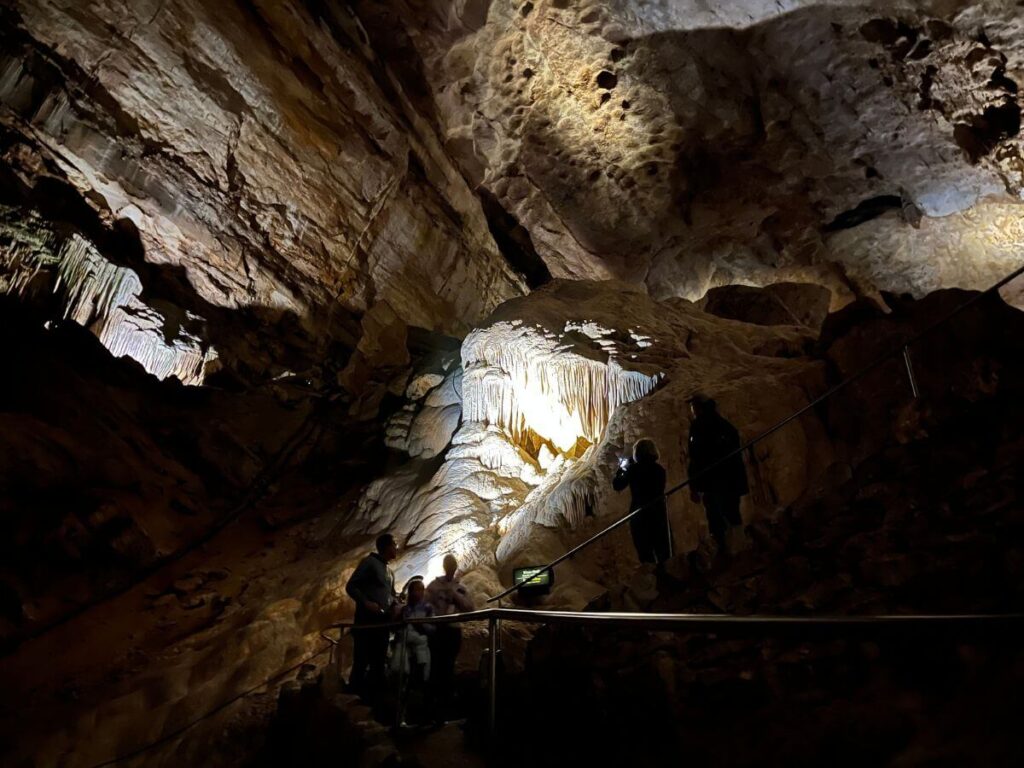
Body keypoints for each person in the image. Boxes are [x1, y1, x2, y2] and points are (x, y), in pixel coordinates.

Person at [687, 394, 749, 555]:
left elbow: (696, 457)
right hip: (730, 478)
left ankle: (725, 550)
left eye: (693, 407)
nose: (692, 411)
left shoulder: (699, 426)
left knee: (716, 516)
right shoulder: (724, 424)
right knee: (732, 512)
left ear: (699, 408)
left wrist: (694, 485)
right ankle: (739, 546)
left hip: (713, 480)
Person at [345, 533, 399, 697]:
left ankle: (373, 700)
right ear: (387, 547)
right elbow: (351, 586)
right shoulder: (369, 563)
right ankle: (352, 700)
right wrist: (366, 603)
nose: (396, 547)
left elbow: (390, 595)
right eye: (394, 544)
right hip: (366, 623)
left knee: (379, 663)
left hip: (382, 625)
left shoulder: (389, 571)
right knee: (361, 661)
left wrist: (396, 602)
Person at [426, 555, 475, 719]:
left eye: (453, 565)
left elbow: (469, 607)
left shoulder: (459, 587)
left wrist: (454, 595)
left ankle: (445, 707)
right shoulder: (433, 586)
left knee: (448, 666)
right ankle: (433, 706)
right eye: (449, 564)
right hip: (438, 631)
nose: (451, 567)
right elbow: (426, 607)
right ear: (445, 566)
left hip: (453, 631)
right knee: (436, 666)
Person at [613, 438, 672, 564]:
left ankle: (652, 578)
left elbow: (617, 485)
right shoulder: (659, 470)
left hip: (639, 515)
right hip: (658, 513)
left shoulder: (634, 470)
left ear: (637, 453)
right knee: (663, 550)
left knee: (645, 552)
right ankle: (667, 576)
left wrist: (621, 470)